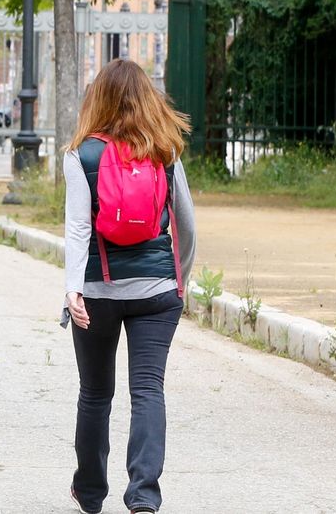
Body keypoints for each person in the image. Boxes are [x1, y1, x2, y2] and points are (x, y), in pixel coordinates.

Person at [62, 58, 196, 514]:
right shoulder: (165, 150)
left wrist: (73, 289)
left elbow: (79, 230)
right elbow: (187, 226)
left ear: (97, 97)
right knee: (148, 389)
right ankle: (143, 497)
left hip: (98, 292)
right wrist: (180, 281)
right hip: (158, 291)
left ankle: (91, 493)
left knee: (95, 393)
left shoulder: (81, 155)